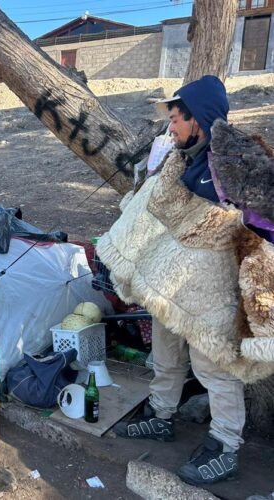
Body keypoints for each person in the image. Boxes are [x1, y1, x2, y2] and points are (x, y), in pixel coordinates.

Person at [114, 76, 244, 486]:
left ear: (199, 119)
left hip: (211, 294)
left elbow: (244, 228)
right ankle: (160, 415)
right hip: (171, 286)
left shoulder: (230, 165)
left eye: (175, 119)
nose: (170, 128)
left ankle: (226, 445)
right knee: (166, 355)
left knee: (215, 368)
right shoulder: (181, 161)